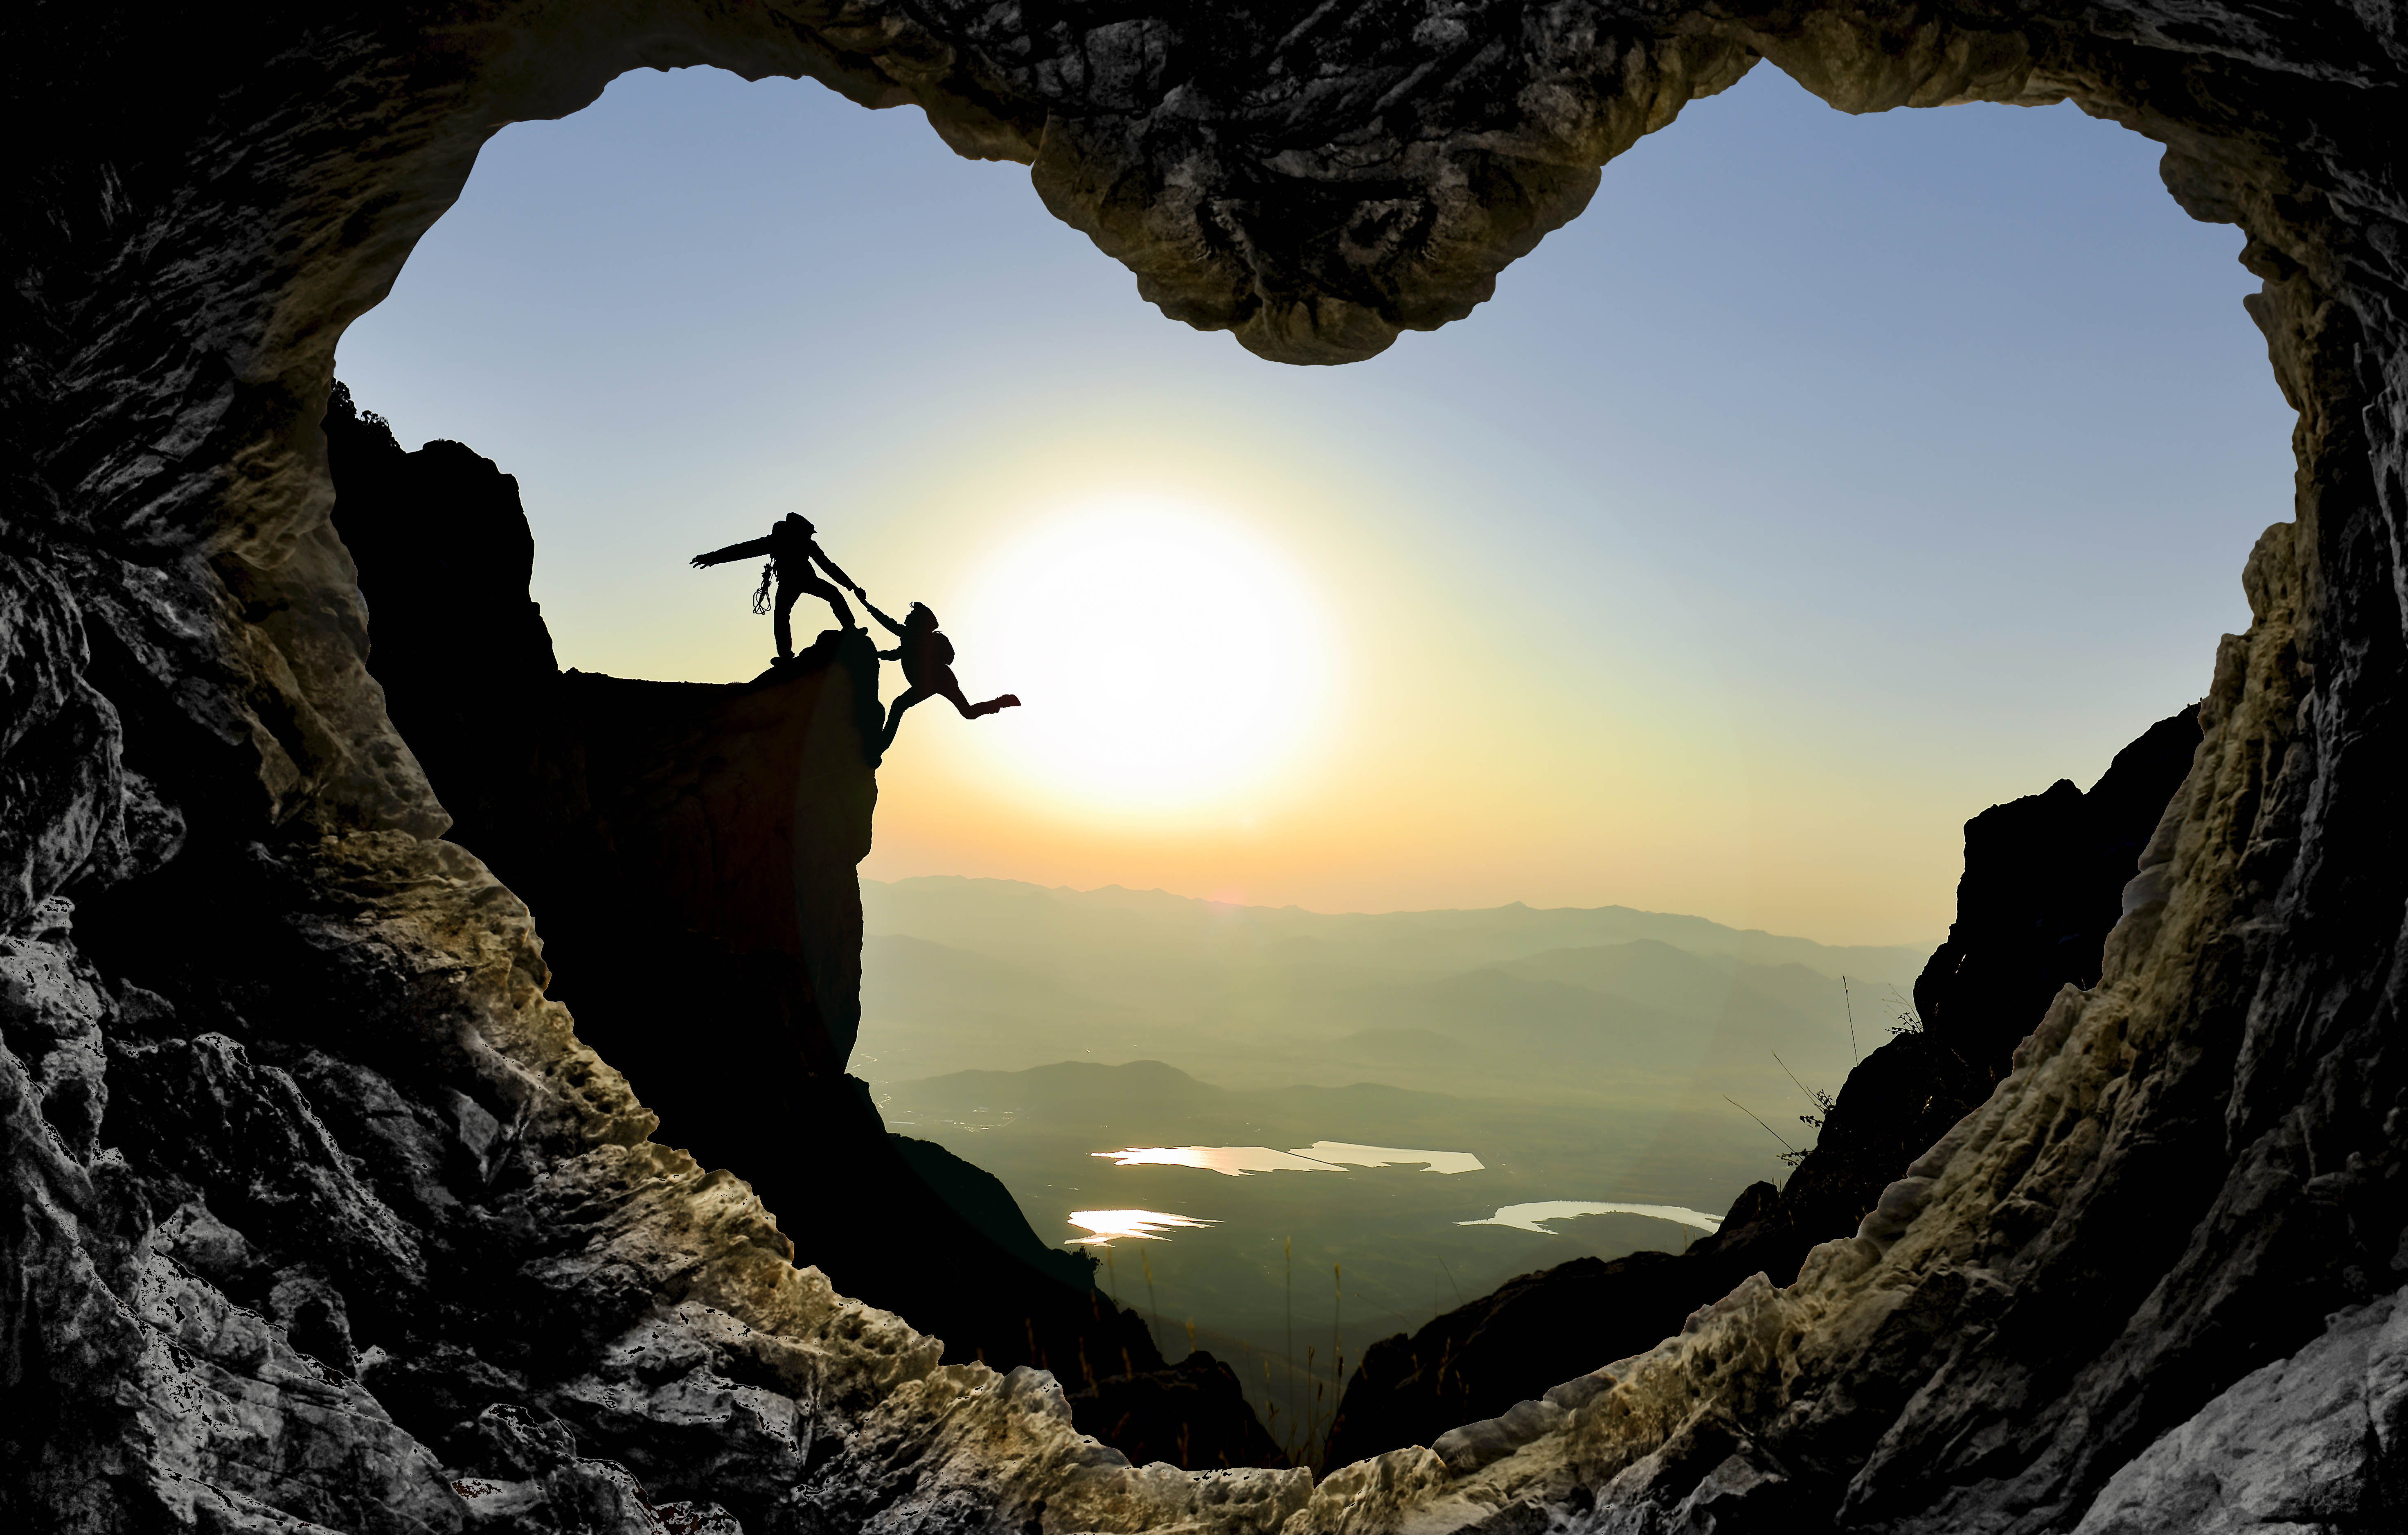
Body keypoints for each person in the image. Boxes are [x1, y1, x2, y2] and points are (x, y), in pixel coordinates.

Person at [689, 513, 866, 663]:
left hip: (798, 580)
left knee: (787, 614)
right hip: (797, 581)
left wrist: (852, 586)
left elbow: (828, 566)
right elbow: (743, 550)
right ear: (800, 531)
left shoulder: (800, 543)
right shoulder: (783, 541)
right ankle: (788, 656)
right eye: (809, 534)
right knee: (788, 613)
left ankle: (789, 656)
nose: (811, 537)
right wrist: (713, 558)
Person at [865, 599, 1020, 753]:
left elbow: (888, 624)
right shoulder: (911, 637)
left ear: (918, 621)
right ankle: (1000, 703)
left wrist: (866, 605)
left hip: (934, 682)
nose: (908, 616)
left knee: (899, 705)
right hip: (937, 682)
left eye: (912, 614)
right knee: (968, 712)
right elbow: (895, 653)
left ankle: (880, 746)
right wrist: (876, 654)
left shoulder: (915, 636)